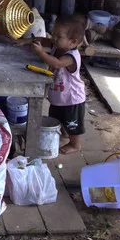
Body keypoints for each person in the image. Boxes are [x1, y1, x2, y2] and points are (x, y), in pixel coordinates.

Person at [30, 15, 86, 155]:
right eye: (54, 34)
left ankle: (75, 144)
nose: (53, 38)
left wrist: (40, 52)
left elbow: (56, 63)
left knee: (73, 124)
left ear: (73, 42)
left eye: (58, 36)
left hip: (72, 99)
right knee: (56, 117)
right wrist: (26, 40)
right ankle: (64, 133)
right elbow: (44, 40)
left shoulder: (71, 56)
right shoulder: (58, 45)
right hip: (59, 96)